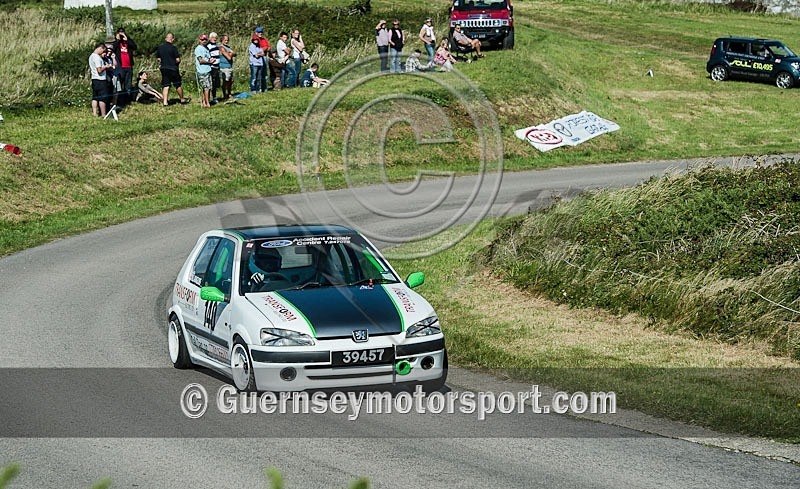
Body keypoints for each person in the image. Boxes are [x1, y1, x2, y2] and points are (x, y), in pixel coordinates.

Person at [156, 33, 190, 106]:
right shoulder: (173, 48)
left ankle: (165, 102)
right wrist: (177, 62)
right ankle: (182, 99)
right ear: (172, 39)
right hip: (173, 69)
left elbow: (158, 59)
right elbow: (177, 59)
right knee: (177, 84)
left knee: (166, 85)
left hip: (164, 68)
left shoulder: (160, 47)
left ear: (166, 39)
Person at [112, 27, 137, 105]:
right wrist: (117, 40)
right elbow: (112, 49)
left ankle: (127, 100)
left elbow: (135, 47)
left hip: (128, 66)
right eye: (120, 33)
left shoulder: (128, 41)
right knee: (120, 84)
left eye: (122, 33)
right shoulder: (116, 43)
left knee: (128, 84)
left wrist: (127, 40)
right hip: (120, 67)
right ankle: (120, 100)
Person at [89, 43, 112, 117]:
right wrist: (105, 67)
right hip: (100, 80)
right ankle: (103, 114)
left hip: (94, 79)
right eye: (103, 51)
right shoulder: (97, 58)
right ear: (100, 48)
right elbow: (99, 70)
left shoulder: (91, 56)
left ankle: (95, 113)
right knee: (103, 98)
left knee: (95, 97)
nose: (103, 53)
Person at [195, 34, 213, 108]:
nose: (204, 41)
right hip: (202, 71)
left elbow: (207, 58)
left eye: (205, 39)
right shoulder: (198, 49)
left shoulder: (206, 48)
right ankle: (207, 103)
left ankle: (204, 101)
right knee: (206, 87)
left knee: (207, 87)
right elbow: (200, 60)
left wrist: (211, 60)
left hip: (208, 70)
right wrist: (209, 62)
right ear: (200, 40)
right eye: (202, 40)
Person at [218, 34, 236, 100]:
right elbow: (228, 57)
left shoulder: (228, 47)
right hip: (224, 66)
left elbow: (235, 53)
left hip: (229, 66)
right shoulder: (221, 47)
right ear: (222, 40)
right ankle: (225, 94)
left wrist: (232, 54)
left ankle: (229, 93)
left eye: (227, 40)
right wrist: (231, 54)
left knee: (231, 81)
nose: (226, 41)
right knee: (226, 81)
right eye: (225, 40)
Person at [207, 32, 221, 103]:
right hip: (212, 67)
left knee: (216, 83)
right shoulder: (208, 46)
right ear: (210, 38)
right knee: (211, 82)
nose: (214, 39)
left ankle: (214, 97)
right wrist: (209, 60)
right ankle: (209, 98)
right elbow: (206, 55)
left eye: (215, 37)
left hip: (217, 66)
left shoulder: (216, 45)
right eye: (213, 37)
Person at [256, 27, 270, 91]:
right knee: (258, 73)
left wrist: (265, 48)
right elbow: (258, 50)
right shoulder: (255, 40)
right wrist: (264, 49)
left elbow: (269, 47)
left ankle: (264, 88)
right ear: (256, 33)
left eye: (261, 32)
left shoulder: (264, 39)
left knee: (264, 74)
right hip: (259, 58)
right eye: (259, 32)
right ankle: (258, 88)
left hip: (264, 57)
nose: (260, 33)